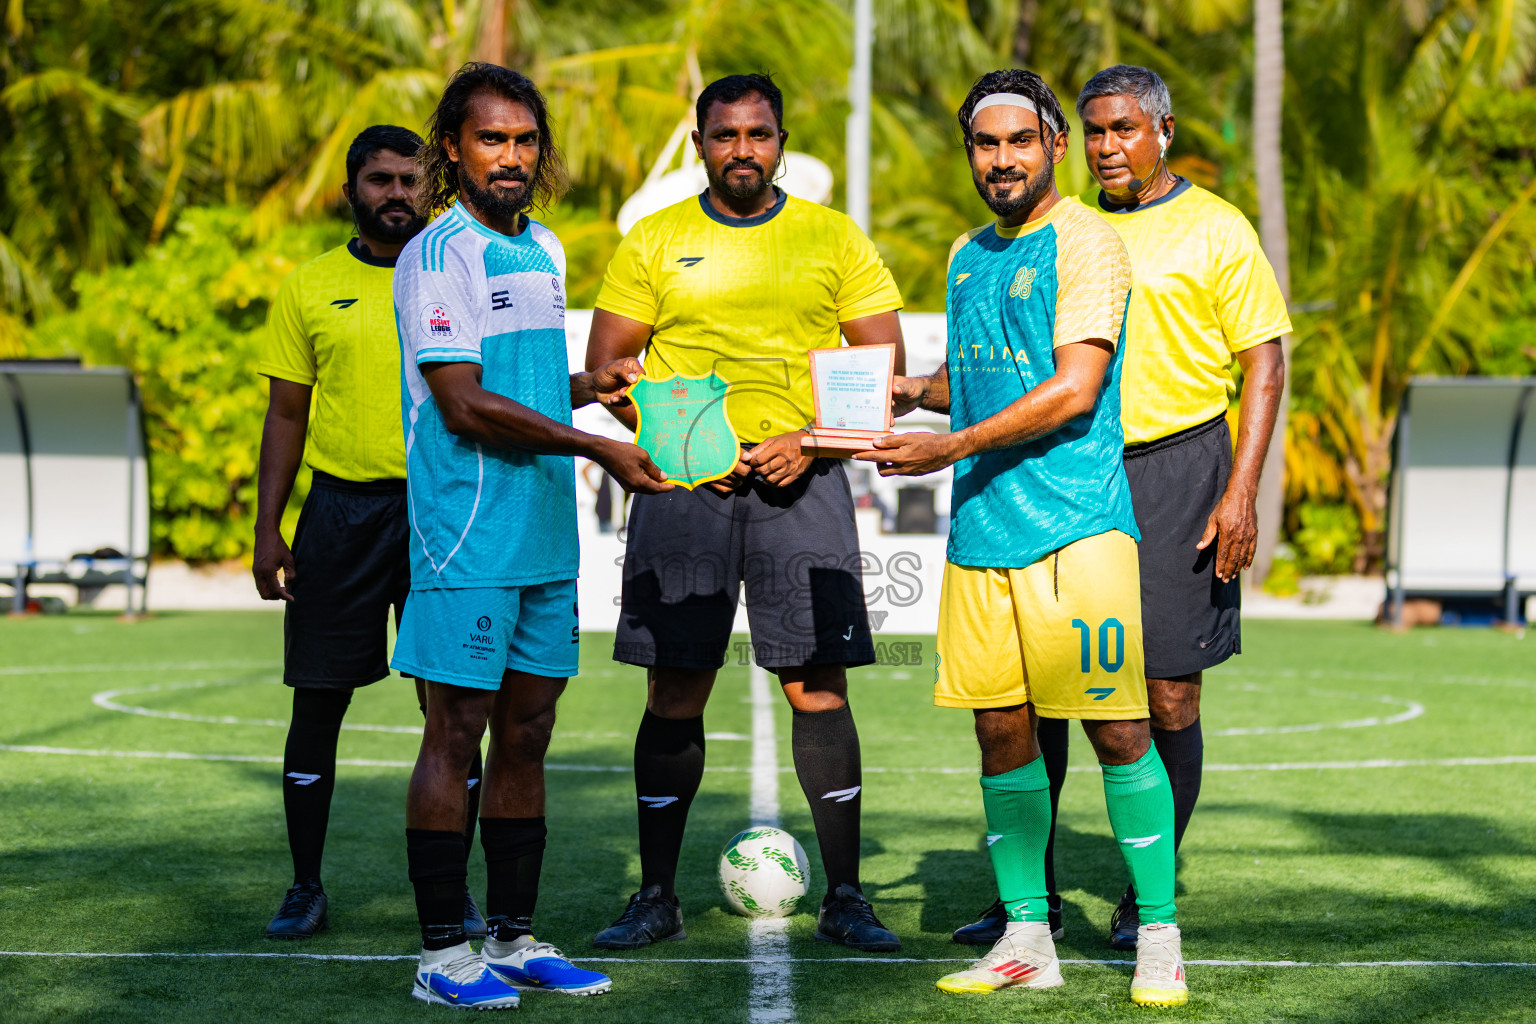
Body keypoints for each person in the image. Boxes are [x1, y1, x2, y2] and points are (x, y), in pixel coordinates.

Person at [861, 69, 1187, 1008]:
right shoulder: (968, 252)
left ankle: (1158, 934)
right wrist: (908, 394)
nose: (1001, 160)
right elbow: (985, 377)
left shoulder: (1087, 241)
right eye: (983, 143)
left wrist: (950, 444)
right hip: (981, 533)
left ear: (1051, 145)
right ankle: (1026, 936)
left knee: (1120, 729)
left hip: (1077, 531)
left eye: (1019, 142)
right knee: (1000, 732)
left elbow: (1075, 388)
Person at [952, 64, 1289, 953]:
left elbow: (1265, 363)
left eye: (1125, 130)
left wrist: (1241, 488)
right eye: (1094, 132)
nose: (1108, 147)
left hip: (1179, 471)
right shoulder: (1059, 229)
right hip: (1063, 471)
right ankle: (1033, 899)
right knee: (1039, 696)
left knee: (1170, 693)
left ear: (1163, 130)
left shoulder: (1216, 226)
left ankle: (1152, 893)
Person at [585, 73, 906, 952]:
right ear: (700, 144)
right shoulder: (655, 239)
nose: (742, 150)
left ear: (781, 142)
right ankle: (655, 896)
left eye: (758, 134)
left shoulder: (833, 238)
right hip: (688, 493)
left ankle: (846, 896)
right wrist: (686, 446)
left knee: (817, 687)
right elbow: (607, 368)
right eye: (724, 135)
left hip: (805, 487)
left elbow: (880, 374)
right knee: (676, 686)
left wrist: (809, 439)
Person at [390, 62, 671, 1010]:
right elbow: (465, 405)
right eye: (490, 139)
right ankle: (441, 955)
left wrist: (601, 390)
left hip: (545, 534)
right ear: (453, 150)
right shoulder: (436, 254)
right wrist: (594, 446)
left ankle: (510, 940)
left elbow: (529, 382)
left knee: (529, 732)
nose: (510, 157)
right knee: (455, 730)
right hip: (465, 532)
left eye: (524, 140)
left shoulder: (544, 247)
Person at [255, 124, 489, 941]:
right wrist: (268, 528)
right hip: (340, 515)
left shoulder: (464, 274)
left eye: (412, 180)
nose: (398, 194)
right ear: (353, 189)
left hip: (445, 512)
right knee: (316, 706)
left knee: (454, 712)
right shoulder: (311, 286)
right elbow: (286, 413)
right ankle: (304, 886)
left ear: (436, 188)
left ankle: (453, 891)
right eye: (381, 180)